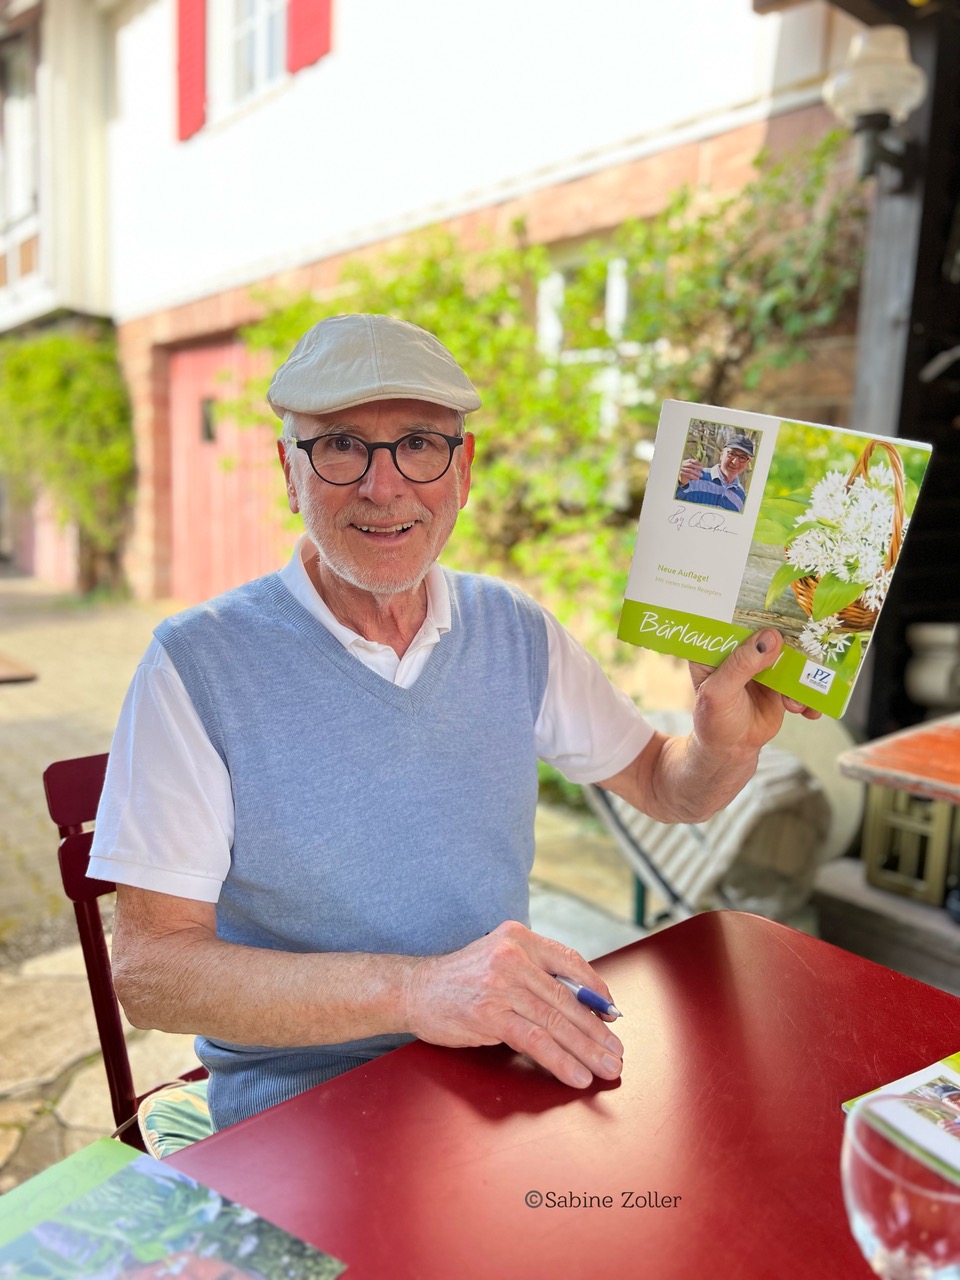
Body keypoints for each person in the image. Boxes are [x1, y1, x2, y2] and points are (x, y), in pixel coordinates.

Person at [89, 315, 817, 1133]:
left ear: (462, 470)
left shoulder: (511, 626)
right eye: (339, 446)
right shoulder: (197, 664)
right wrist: (419, 991)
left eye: (419, 444)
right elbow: (154, 973)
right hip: (302, 1118)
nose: (384, 485)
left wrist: (724, 743)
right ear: (290, 474)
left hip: (500, 1079)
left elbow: (665, 785)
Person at [675, 435, 755, 513]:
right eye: (732, 454)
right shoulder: (694, 476)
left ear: (748, 463)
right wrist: (677, 481)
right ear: (722, 454)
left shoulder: (741, 496)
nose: (735, 462)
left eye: (742, 458)